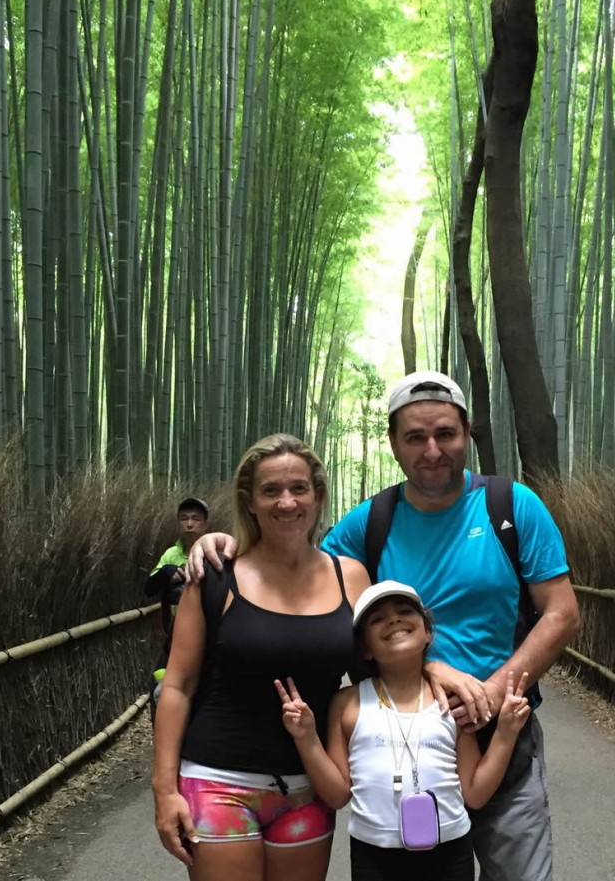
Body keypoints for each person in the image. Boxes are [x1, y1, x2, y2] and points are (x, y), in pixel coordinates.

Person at [189, 372, 581, 881]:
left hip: (501, 728)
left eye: (446, 433)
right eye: (415, 437)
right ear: (394, 445)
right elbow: (288, 567)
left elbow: (561, 613)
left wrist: (490, 692)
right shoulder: (366, 524)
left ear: (467, 434)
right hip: (400, 736)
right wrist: (219, 543)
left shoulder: (512, 506)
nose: (432, 450)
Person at [152, 434, 370, 881]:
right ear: (249, 501)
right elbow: (177, 685)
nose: (286, 502)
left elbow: (374, 676)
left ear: (317, 496)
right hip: (216, 780)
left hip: (308, 788)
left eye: (299, 489)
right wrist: (163, 789)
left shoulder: (350, 576)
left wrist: (435, 671)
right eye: (271, 490)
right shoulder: (215, 575)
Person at [276, 580, 531, 881]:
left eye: (404, 611)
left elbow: (474, 793)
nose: (393, 619)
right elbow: (337, 794)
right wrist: (307, 739)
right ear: (365, 648)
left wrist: (505, 734)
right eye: (377, 618)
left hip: (449, 851)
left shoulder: (450, 703)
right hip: (374, 853)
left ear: (427, 633)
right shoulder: (347, 704)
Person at [144, 497, 210, 702]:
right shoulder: (171, 554)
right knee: (160, 688)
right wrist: (166, 573)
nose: (190, 524)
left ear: (205, 523)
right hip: (175, 632)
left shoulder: (215, 552)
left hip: (208, 630)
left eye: (195, 519)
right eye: (184, 519)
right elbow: (149, 589)